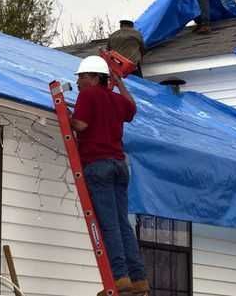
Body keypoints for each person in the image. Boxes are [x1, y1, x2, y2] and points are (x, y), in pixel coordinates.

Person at [71, 56, 150, 296]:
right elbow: (132, 108)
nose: (78, 83)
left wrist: (66, 117)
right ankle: (139, 279)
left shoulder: (89, 95)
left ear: (95, 77)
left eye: (82, 77)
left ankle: (119, 278)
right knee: (123, 224)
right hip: (119, 165)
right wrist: (120, 82)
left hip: (98, 165)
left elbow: (82, 125)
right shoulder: (116, 99)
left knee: (109, 225)